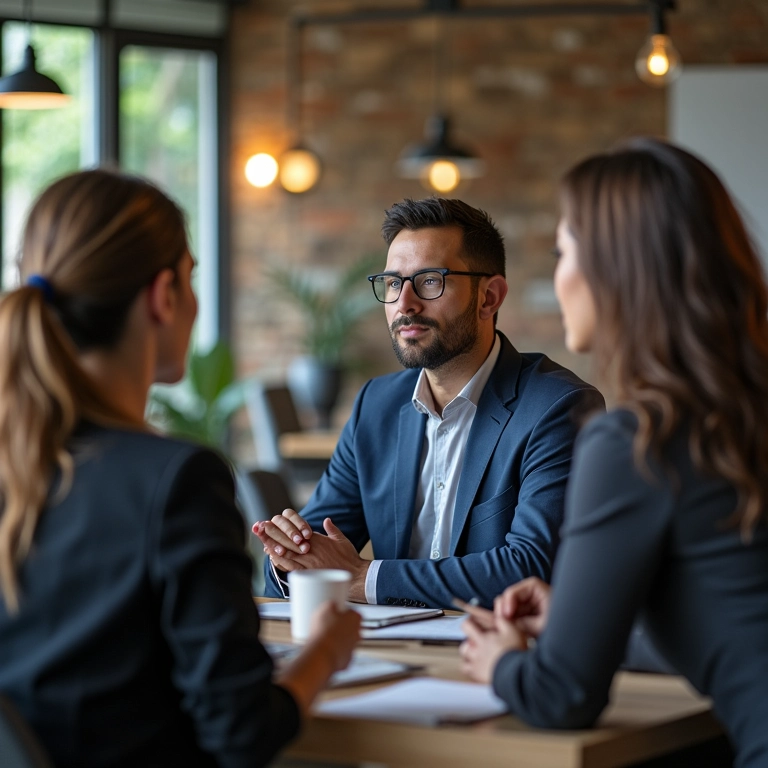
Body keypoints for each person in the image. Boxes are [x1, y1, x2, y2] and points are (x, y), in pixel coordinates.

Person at [0, 169, 360, 768]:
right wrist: (325, 650)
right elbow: (241, 733)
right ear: (163, 295)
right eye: (192, 278)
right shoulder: (174, 482)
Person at [459, 139, 768, 767]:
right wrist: (582, 616)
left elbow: (562, 695)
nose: (556, 275)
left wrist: (503, 663)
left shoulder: (635, 438)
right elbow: (738, 615)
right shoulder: (740, 412)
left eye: (563, 251)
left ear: (617, 269)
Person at [255, 197, 604, 609]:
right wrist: (288, 556)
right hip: (388, 654)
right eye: (392, 283)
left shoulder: (558, 408)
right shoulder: (376, 405)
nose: (404, 304)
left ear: (489, 297)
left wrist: (366, 577)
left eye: (430, 281)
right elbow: (313, 544)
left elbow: (531, 567)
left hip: (499, 654)